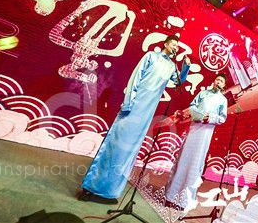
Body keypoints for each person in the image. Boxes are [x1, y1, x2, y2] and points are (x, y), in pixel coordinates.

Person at [78, 35, 190, 204]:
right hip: (134, 105)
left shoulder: (171, 66)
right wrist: (128, 103)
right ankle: (92, 187)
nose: (175, 47)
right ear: (166, 44)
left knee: (129, 150)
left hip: (147, 112)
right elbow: (135, 78)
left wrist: (186, 67)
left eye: (177, 45)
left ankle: (110, 191)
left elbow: (178, 81)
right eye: (173, 44)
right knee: (116, 144)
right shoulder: (151, 56)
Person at [164, 73, 228, 210]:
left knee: (195, 163)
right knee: (183, 160)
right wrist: (200, 116)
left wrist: (210, 118)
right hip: (194, 129)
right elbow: (192, 107)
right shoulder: (203, 93)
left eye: (221, 81)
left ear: (224, 85)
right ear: (214, 81)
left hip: (205, 134)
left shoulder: (223, 100)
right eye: (217, 79)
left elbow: (222, 118)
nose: (218, 82)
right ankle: (170, 196)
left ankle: (183, 201)